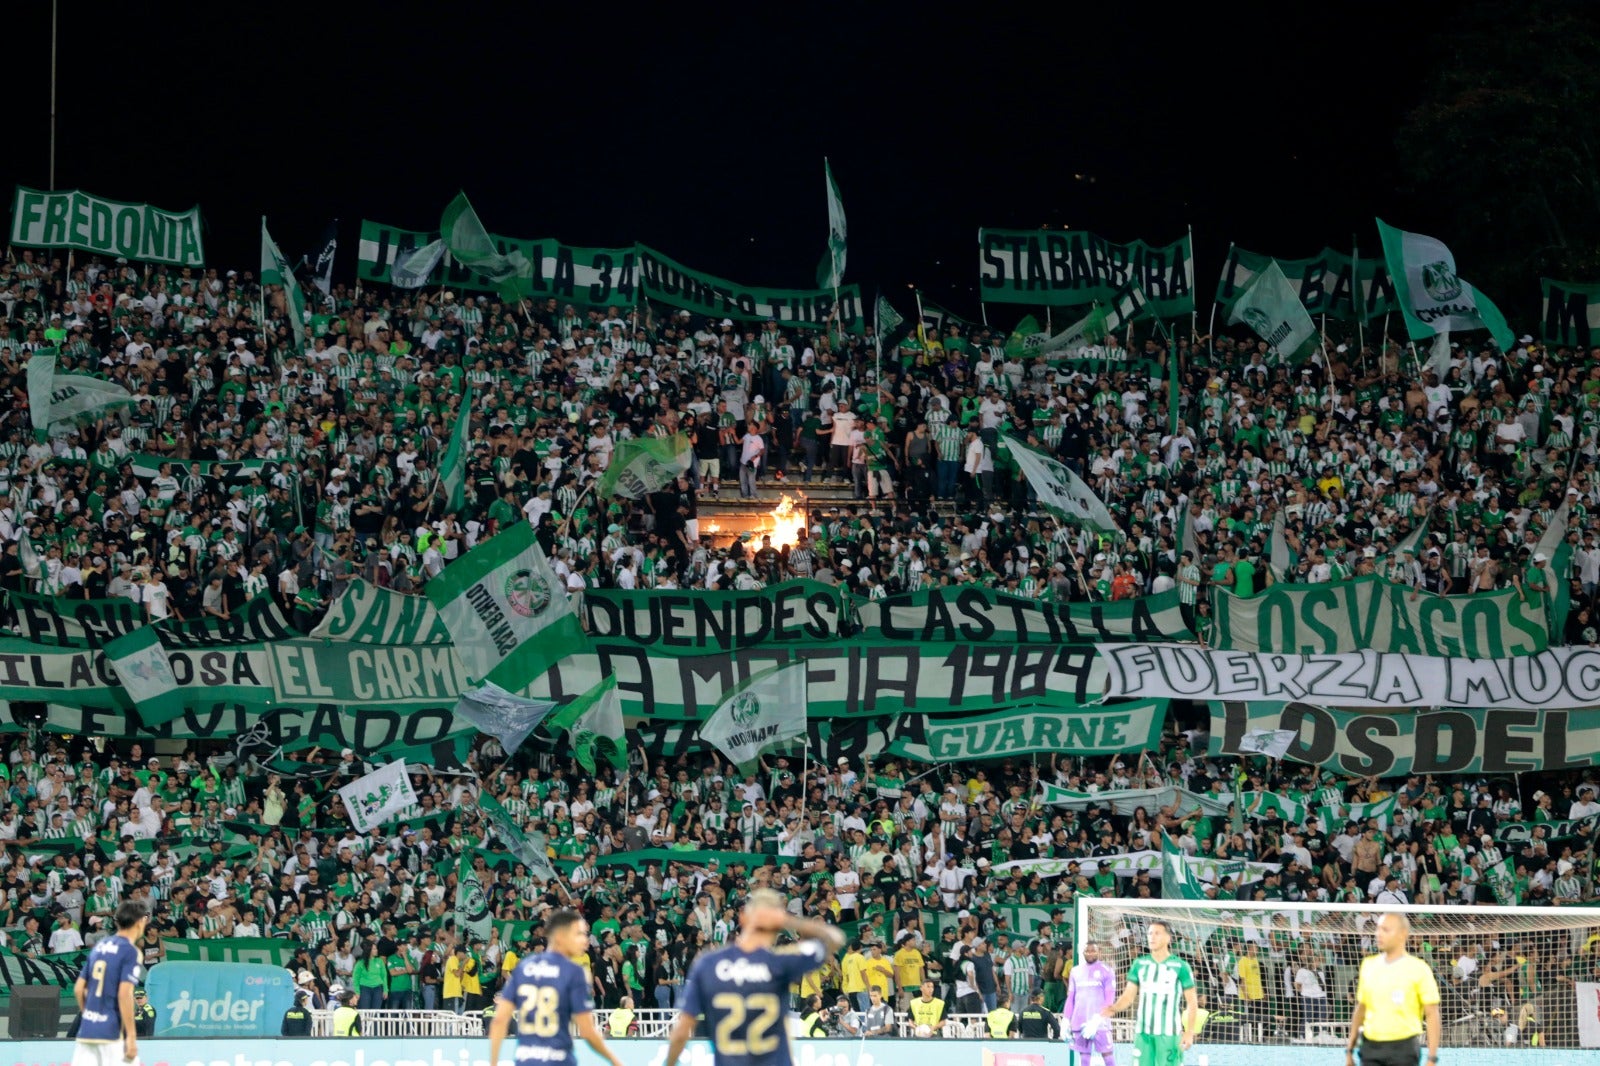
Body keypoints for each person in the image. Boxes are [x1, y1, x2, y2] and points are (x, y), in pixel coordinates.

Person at [663, 888, 846, 1066]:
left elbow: (681, 1032)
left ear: (743, 918)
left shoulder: (708, 964)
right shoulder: (780, 963)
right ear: (777, 924)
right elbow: (835, 938)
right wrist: (790, 921)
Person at [487, 908, 624, 1066]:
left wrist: (493, 1062)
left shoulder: (524, 967)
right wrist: (615, 1061)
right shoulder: (574, 972)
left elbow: (499, 1021)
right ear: (560, 936)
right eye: (578, 934)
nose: (585, 940)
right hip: (559, 1059)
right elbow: (587, 1031)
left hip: (526, 1060)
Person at [1344, 913, 1441, 1066]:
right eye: (1378, 929)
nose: (1379, 934)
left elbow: (1432, 1013)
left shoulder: (1418, 968)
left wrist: (1432, 1057)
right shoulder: (1368, 965)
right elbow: (1361, 1008)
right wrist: (1349, 1049)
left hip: (1403, 1048)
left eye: (1386, 930)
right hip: (1370, 1047)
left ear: (1403, 934)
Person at [1101, 920, 1197, 1066]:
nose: (1152, 937)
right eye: (1150, 933)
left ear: (1168, 938)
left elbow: (1192, 1002)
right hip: (1143, 1034)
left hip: (1169, 1034)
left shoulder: (1181, 966)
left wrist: (1189, 1032)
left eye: (1157, 933)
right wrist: (1114, 1007)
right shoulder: (1139, 964)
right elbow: (1128, 996)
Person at [72, 900, 148, 1066]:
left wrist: (90, 1016)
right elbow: (124, 994)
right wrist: (132, 1038)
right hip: (111, 1034)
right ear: (141, 921)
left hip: (86, 1032)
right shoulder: (130, 951)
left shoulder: (99, 946)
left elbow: (79, 989)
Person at [1066, 940, 1117, 1065]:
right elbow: (1071, 997)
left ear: (1098, 952)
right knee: (1084, 1055)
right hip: (1080, 1021)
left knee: (1107, 1054)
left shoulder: (1107, 970)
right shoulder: (1075, 971)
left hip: (1100, 1022)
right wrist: (1066, 1019)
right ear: (1082, 952)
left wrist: (1098, 1019)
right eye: (1087, 951)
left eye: (1093, 951)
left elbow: (1110, 998)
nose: (1090, 953)